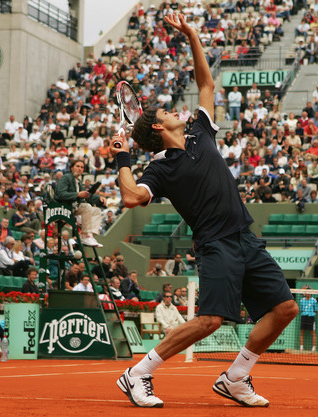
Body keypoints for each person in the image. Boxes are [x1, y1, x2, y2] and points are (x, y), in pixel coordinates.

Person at [112, 14, 297, 409]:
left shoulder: (200, 130)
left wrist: (193, 35)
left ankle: (235, 376)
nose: (174, 110)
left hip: (245, 237)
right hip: (215, 245)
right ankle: (138, 373)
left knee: (285, 308)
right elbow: (131, 198)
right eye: (165, 112)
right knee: (210, 320)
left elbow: (206, 83)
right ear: (159, 129)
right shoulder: (159, 169)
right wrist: (123, 159)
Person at [54, 160, 106, 247]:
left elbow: (85, 196)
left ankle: (90, 236)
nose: (80, 169)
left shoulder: (77, 180)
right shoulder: (66, 177)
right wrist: (77, 194)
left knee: (97, 211)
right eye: (77, 166)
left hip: (73, 207)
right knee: (87, 207)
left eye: (82, 167)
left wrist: (99, 198)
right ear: (71, 168)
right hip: (63, 207)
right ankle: (85, 236)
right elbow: (61, 194)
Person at [299, 287, 317, 352]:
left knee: (313, 333)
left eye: (308, 292)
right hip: (304, 317)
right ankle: (301, 347)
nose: (307, 293)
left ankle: (314, 348)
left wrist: (311, 314)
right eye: (306, 292)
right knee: (302, 332)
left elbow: (315, 310)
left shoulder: (314, 300)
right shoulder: (302, 301)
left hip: (311, 318)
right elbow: (301, 310)